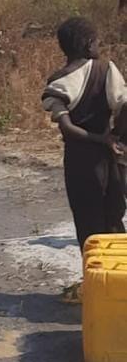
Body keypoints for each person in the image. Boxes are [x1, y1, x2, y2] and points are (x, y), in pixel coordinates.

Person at [42, 17, 127, 257]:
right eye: (96, 42)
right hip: (109, 157)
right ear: (88, 44)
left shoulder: (57, 82)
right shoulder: (105, 69)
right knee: (113, 216)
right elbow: (125, 104)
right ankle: (117, 279)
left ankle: (93, 279)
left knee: (87, 220)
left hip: (78, 159)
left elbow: (67, 128)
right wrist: (114, 136)